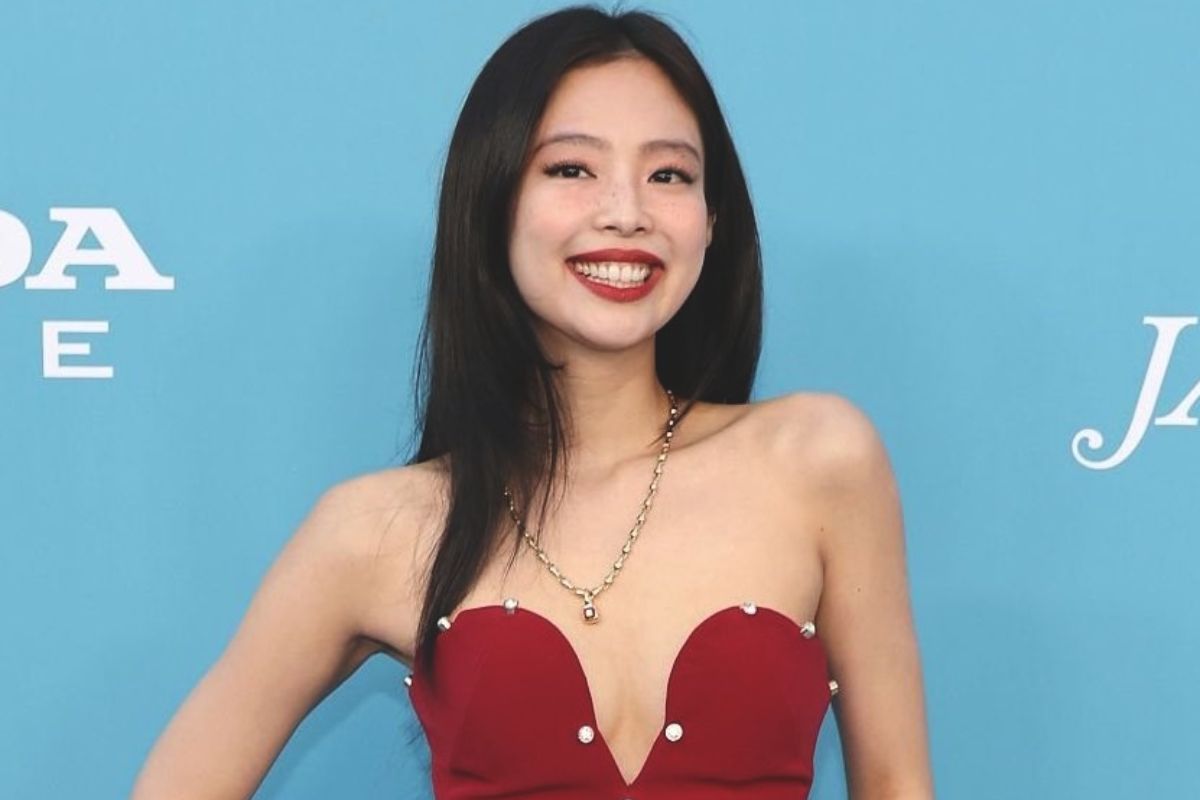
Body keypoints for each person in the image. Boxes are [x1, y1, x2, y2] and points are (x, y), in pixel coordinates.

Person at [133, 5, 934, 799]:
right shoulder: (382, 530)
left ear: (712, 218)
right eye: (571, 170)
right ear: (493, 201)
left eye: (669, 175)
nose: (626, 212)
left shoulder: (818, 461)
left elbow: (897, 781)